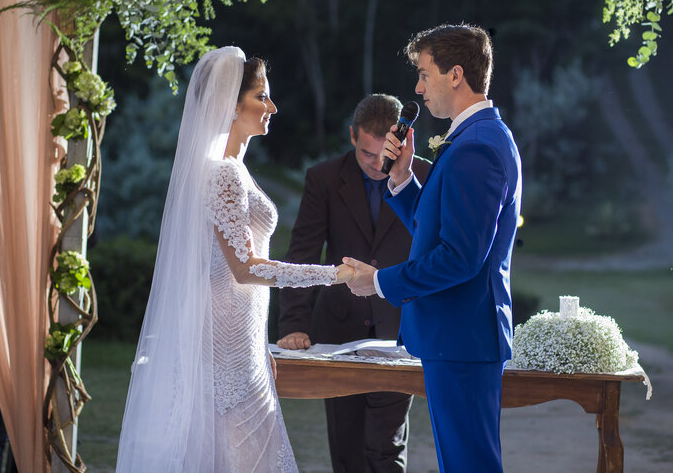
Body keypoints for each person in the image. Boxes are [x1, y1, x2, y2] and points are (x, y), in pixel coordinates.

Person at [116, 47, 352, 473]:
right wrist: (335, 273)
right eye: (262, 97)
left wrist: (260, 349)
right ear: (231, 103)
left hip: (242, 338)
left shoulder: (234, 169)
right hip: (225, 342)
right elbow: (247, 268)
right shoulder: (223, 173)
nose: (273, 107)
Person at [343, 24, 522, 473]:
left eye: (424, 74)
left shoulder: (476, 146)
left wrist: (380, 281)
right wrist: (402, 178)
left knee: (470, 465)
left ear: (455, 74)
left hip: (462, 337)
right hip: (459, 338)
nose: (418, 88)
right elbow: (442, 227)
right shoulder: (475, 139)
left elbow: (460, 257)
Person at [276, 94, 430, 473]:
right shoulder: (324, 179)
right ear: (351, 136)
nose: (378, 165)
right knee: (346, 451)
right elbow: (303, 254)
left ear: (403, 142)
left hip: (401, 332)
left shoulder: (428, 176)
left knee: (385, 448)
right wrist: (294, 323)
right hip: (338, 332)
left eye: (385, 155)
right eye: (366, 154)